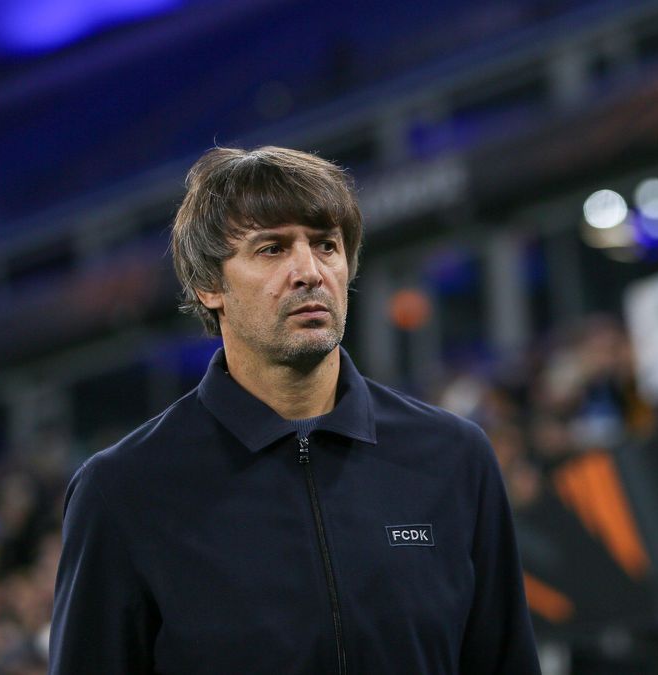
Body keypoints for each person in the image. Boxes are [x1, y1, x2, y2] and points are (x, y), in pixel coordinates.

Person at [48, 146, 541, 674]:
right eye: (271, 249)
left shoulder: (454, 456)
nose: (309, 271)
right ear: (209, 285)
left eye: (326, 245)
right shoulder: (122, 490)